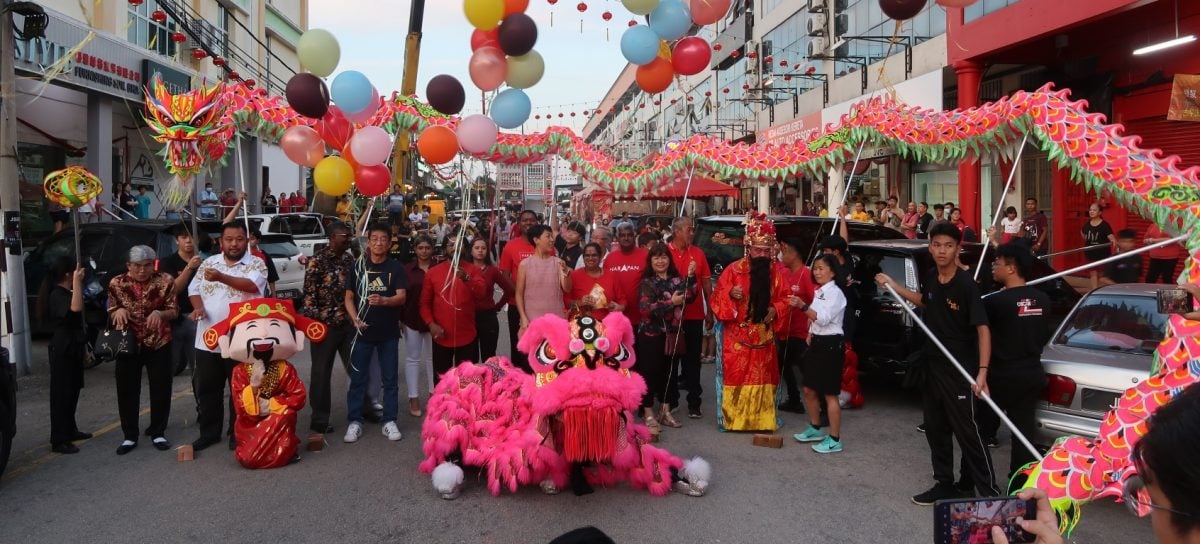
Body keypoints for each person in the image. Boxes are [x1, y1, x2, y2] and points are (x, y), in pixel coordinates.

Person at [876, 222, 999, 504]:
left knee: (967, 430)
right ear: (930, 246)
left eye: (948, 245)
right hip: (933, 364)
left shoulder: (967, 285)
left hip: (960, 369)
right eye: (937, 245)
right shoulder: (932, 276)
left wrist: (982, 372)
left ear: (958, 249)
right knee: (935, 427)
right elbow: (925, 301)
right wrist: (894, 285)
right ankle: (944, 483)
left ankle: (988, 492)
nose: (942, 250)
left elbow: (983, 329)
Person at [207, 297, 322, 469]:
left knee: (286, 414)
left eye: (274, 326)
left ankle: (284, 453)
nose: (263, 335)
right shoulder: (239, 371)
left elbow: (299, 396)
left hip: (278, 416)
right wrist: (253, 387)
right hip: (249, 423)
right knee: (248, 458)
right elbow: (240, 406)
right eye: (252, 327)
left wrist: (271, 404)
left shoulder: (286, 368)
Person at [188, 222, 269, 454]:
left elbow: (252, 285)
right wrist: (198, 308)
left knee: (241, 390)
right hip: (208, 338)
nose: (234, 244)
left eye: (239, 239)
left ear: (247, 240)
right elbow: (193, 290)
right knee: (208, 389)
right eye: (229, 239)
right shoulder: (209, 263)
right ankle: (209, 433)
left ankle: (238, 432)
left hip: (242, 340)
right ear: (220, 242)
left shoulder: (256, 263)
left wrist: (222, 277)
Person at [710, 213, 789, 431]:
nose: (762, 254)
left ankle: (762, 420)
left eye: (765, 250)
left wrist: (775, 309)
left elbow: (785, 299)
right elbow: (716, 298)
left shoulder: (776, 273)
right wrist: (729, 294)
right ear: (749, 249)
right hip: (737, 336)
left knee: (764, 375)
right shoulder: (733, 271)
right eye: (757, 250)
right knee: (737, 376)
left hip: (763, 334)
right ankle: (734, 420)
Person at [978, 243, 1050, 480]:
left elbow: (981, 336)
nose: (992, 267)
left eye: (997, 263)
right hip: (1031, 372)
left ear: (1011, 268)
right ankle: (1019, 483)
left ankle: (980, 480)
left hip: (1000, 375)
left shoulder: (995, 302)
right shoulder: (1043, 300)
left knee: (980, 429)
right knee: (1023, 433)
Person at [107, 245, 179, 455]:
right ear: (128, 265)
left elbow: (174, 310)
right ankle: (129, 436)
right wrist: (117, 310)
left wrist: (160, 314)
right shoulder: (117, 283)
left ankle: (158, 431)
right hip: (128, 342)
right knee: (127, 389)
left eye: (147, 266)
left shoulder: (165, 281)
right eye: (137, 266)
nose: (142, 270)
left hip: (159, 341)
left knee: (161, 388)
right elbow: (110, 308)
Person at [343, 223, 408, 444]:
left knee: (390, 380)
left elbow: (401, 297)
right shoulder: (358, 266)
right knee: (358, 379)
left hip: (388, 333)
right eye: (374, 239)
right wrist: (355, 319)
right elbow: (349, 297)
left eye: (383, 239)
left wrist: (384, 300)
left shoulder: (396, 268)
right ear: (368, 242)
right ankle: (355, 421)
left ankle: (389, 420)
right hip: (361, 333)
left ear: (390, 243)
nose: (379, 242)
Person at [635, 243, 697, 435]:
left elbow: (691, 295)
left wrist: (692, 276)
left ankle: (665, 410)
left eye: (663, 257)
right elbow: (646, 309)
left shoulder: (677, 280)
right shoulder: (647, 282)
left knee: (669, 374)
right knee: (649, 373)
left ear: (669, 260)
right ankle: (647, 413)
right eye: (656, 258)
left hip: (672, 334)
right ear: (650, 261)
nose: (660, 261)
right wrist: (672, 302)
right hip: (650, 336)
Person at [301, 221, 355, 435]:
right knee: (321, 374)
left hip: (348, 324)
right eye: (345, 235)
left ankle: (362, 410)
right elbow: (308, 296)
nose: (348, 238)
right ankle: (320, 419)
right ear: (333, 236)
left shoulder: (350, 259)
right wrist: (319, 320)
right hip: (325, 326)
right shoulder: (318, 260)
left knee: (357, 369)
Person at [792, 254, 847, 453]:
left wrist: (802, 306)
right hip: (817, 342)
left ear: (832, 272)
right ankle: (815, 427)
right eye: (815, 268)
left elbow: (822, 318)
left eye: (822, 268)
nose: (817, 272)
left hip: (831, 344)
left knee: (830, 394)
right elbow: (814, 319)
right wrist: (810, 332)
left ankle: (834, 438)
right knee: (809, 388)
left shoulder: (836, 293)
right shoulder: (820, 291)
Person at [667, 216, 713, 420]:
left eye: (692, 230)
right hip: (672, 316)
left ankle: (695, 402)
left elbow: (706, 285)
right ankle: (672, 399)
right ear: (677, 231)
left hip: (694, 315)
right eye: (689, 229)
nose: (692, 233)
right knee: (671, 358)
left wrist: (710, 310)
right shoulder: (665, 253)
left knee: (693, 361)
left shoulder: (699, 254)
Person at [421, 241, 489, 380]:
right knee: (441, 381)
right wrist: (431, 324)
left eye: (459, 244)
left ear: (465, 248)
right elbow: (424, 303)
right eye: (450, 244)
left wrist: (467, 279)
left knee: (466, 381)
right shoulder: (433, 272)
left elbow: (482, 293)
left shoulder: (473, 270)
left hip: (467, 336)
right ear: (445, 248)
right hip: (441, 336)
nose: (455, 247)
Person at [46, 260, 90, 454]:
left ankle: (70, 429)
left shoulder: (67, 292)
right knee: (61, 394)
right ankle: (59, 438)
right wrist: (77, 282)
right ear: (67, 274)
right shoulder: (57, 294)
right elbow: (75, 309)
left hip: (74, 346)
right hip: (62, 348)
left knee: (72, 391)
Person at [500, 210, 552, 372]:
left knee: (542, 345)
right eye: (524, 220)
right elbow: (505, 275)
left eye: (532, 220)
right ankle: (518, 380)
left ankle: (540, 378)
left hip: (542, 306)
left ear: (537, 222)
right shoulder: (511, 246)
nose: (528, 223)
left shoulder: (546, 244)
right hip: (517, 305)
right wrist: (520, 294)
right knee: (519, 345)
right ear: (518, 223)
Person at [776, 237, 816, 414]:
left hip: (800, 333)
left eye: (784, 252)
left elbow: (816, 302)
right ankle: (794, 400)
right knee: (782, 365)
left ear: (794, 254)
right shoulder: (783, 272)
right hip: (785, 330)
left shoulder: (806, 274)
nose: (781, 256)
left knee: (807, 370)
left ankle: (821, 406)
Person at [159, 225, 202, 376]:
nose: (189, 241)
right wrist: (189, 268)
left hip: (198, 317)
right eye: (184, 237)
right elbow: (173, 290)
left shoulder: (206, 262)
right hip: (175, 318)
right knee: (169, 365)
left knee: (198, 367)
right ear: (177, 240)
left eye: (191, 237)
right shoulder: (167, 262)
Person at [516, 224, 571, 337]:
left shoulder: (558, 263)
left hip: (556, 317)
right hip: (532, 318)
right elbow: (519, 294)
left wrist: (566, 272)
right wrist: (523, 317)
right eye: (548, 236)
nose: (552, 240)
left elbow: (567, 288)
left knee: (555, 352)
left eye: (552, 237)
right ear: (536, 240)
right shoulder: (525, 264)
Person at [402, 236, 436, 417]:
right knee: (412, 359)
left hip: (434, 321)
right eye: (420, 248)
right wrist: (400, 319)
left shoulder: (438, 268)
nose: (424, 251)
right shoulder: (407, 270)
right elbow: (401, 296)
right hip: (411, 319)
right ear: (415, 249)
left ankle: (434, 394)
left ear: (432, 249)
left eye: (427, 247)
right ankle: (413, 397)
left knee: (432, 359)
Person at [470, 237, 513, 362]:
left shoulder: (492, 271)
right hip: (469, 317)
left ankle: (488, 381)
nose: (480, 251)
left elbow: (509, 290)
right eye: (477, 248)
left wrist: (498, 306)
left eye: (483, 248)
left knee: (488, 357)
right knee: (470, 357)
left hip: (488, 317)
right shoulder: (465, 269)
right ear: (471, 251)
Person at [605, 222, 650, 327]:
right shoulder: (610, 258)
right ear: (617, 237)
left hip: (641, 317)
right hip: (617, 317)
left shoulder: (645, 255)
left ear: (634, 236)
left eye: (629, 235)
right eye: (622, 235)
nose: (626, 238)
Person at [567, 242, 626, 320]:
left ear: (600, 257)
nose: (590, 258)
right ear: (583, 257)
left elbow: (622, 301)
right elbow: (566, 302)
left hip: (607, 323)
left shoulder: (612, 275)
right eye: (587, 255)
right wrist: (580, 302)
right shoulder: (574, 276)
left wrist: (618, 307)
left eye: (594, 255)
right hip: (581, 324)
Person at [1081, 202, 1116, 290]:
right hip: (1090, 253)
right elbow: (1082, 232)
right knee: (1093, 273)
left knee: (1102, 275)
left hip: (1102, 254)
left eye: (1094, 210)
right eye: (1090, 210)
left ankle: (1113, 289)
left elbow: (1111, 236)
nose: (1091, 212)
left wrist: (1113, 241)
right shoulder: (1087, 224)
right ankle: (1094, 291)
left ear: (1100, 212)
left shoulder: (1104, 225)